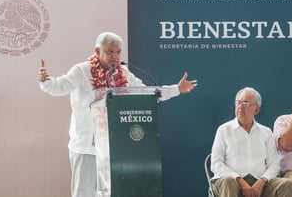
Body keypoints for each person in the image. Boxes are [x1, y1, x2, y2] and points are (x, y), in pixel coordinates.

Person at [38, 31, 198, 197]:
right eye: (110, 52)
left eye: (118, 52)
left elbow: (146, 92)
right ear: (98, 51)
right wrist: (45, 81)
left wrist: (176, 89)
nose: (115, 56)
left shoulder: (124, 74)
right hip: (86, 146)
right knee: (83, 193)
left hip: (112, 146)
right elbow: (60, 87)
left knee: (109, 193)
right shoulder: (81, 71)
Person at [210, 87, 292, 197]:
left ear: (256, 109)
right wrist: (239, 180)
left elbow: (274, 163)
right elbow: (216, 163)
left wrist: (262, 181)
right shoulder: (224, 129)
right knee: (228, 182)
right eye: (239, 102)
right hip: (231, 181)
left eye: (245, 103)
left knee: (288, 184)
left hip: (260, 181)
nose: (241, 106)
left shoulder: (266, 132)